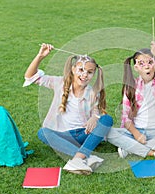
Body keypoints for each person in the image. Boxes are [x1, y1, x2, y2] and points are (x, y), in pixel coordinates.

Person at [23, 43, 113, 175]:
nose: (84, 75)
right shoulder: (59, 83)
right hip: (63, 135)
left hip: (84, 134)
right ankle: (85, 156)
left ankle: (77, 159)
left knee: (107, 119)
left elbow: (96, 111)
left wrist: (95, 117)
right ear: (73, 69)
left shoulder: (92, 92)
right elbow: (30, 77)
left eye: (89, 72)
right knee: (43, 133)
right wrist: (40, 56)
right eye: (81, 70)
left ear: (94, 74)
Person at [107, 41, 155, 161]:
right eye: (141, 63)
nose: (147, 66)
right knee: (108, 132)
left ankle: (130, 147)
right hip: (137, 131)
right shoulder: (131, 87)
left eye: (150, 62)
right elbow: (126, 119)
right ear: (136, 68)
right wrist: (136, 134)